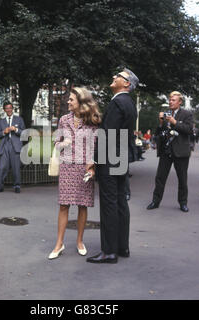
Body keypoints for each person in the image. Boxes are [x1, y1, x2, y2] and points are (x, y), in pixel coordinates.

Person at [86, 68, 139, 264]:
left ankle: (109, 251)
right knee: (120, 202)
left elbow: (107, 135)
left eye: (118, 76)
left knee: (109, 204)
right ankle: (121, 247)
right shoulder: (129, 103)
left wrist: (95, 159)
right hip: (121, 157)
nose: (113, 77)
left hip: (110, 158)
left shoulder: (118, 102)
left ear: (126, 84)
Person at [48, 87, 101, 260]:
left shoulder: (92, 121)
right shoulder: (63, 120)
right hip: (67, 166)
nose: (68, 102)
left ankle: (79, 241)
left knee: (82, 205)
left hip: (84, 168)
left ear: (81, 102)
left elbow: (95, 147)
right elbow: (56, 142)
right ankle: (59, 243)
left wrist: (92, 167)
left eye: (71, 99)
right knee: (64, 205)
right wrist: (63, 144)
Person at [147, 91, 193, 212]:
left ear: (180, 102)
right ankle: (155, 201)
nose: (170, 102)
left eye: (173, 100)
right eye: (170, 99)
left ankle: (183, 203)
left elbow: (189, 130)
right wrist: (161, 122)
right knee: (160, 178)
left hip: (180, 151)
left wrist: (175, 122)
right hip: (166, 151)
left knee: (182, 179)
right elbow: (159, 133)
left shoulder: (187, 114)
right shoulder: (166, 113)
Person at [0, 102, 25, 193]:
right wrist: (4, 131)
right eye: (6, 108)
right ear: (4, 110)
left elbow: (24, 133)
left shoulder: (19, 120)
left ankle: (17, 186)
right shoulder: (1, 121)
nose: (8, 110)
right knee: (2, 167)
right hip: (5, 146)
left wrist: (15, 129)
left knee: (16, 167)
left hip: (15, 146)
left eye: (10, 108)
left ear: (12, 109)